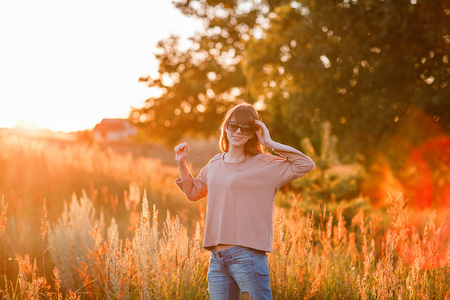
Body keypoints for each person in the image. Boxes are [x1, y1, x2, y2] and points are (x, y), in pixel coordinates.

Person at [174, 102, 315, 300]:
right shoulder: (215, 163)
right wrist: (182, 164)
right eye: (233, 125)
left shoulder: (266, 165)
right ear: (226, 127)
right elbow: (193, 192)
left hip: (247, 257)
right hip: (217, 259)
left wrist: (271, 144)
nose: (238, 131)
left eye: (245, 128)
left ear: (252, 134)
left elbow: (305, 164)